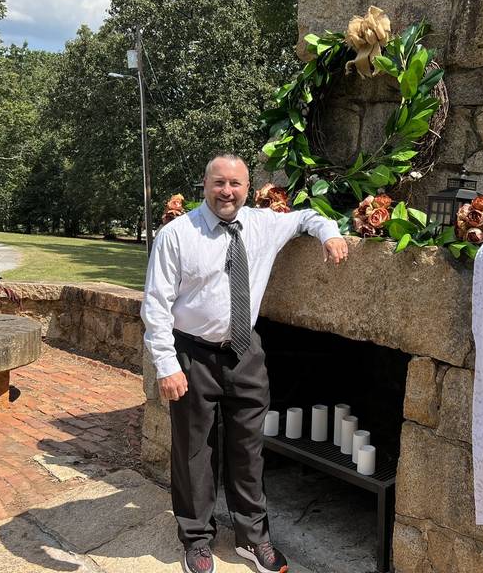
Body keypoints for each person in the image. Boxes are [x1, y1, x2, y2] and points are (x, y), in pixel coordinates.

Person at [141, 153, 348, 573]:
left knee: (248, 450)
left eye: (235, 184)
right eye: (219, 183)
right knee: (194, 452)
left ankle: (253, 538)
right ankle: (197, 539)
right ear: (205, 185)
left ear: (247, 188)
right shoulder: (178, 235)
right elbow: (156, 305)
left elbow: (308, 216)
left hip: (245, 353)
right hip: (192, 353)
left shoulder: (263, 223)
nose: (226, 192)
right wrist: (166, 364)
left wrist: (331, 234)